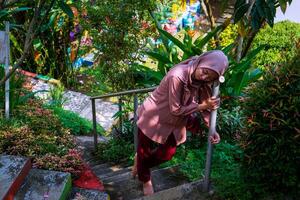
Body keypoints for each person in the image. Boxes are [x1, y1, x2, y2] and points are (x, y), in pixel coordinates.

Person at [132, 50, 229, 195]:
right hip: (152, 115)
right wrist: (203, 105)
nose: (205, 76)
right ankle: (145, 179)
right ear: (201, 62)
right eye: (205, 71)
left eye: (210, 76)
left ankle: (140, 163)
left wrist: (212, 129)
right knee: (143, 151)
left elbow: (207, 105)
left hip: (174, 121)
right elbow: (176, 109)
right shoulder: (177, 75)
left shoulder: (201, 81)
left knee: (167, 154)